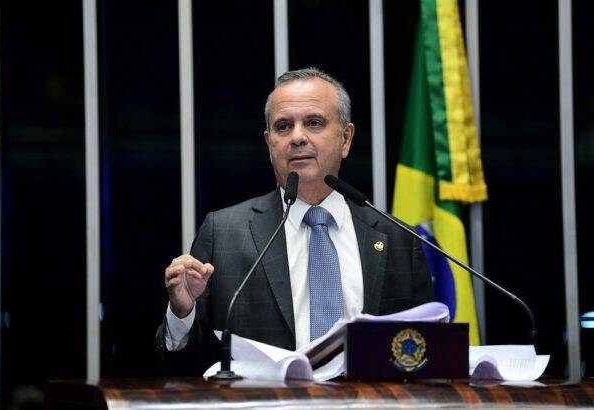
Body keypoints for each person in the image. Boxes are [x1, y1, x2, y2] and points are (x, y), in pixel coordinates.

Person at [156, 68, 434, 376]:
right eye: (283, 126)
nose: (298, 137)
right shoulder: (224, 233)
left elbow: (424, 359)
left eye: (313, 123)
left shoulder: (397, 239)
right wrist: (182, 312)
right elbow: (189, 367)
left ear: (345, 138)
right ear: (269, 142)